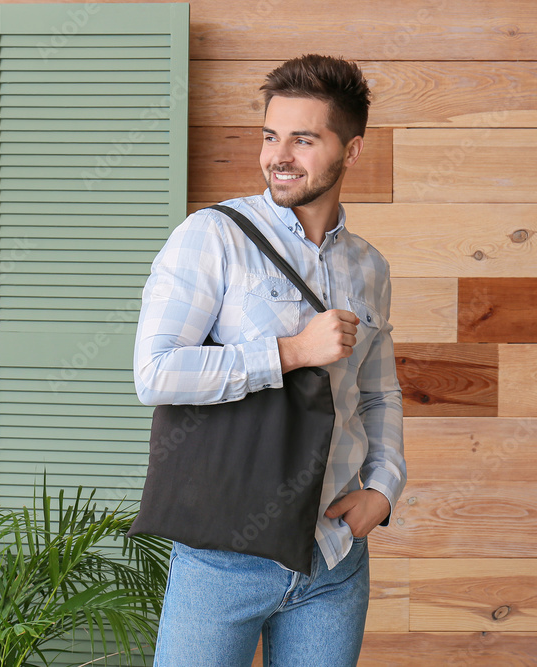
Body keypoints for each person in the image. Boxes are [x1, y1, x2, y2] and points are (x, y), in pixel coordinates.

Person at [133, 54, 407, 666]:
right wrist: (290, 352)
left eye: (303, 139)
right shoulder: (211, 237)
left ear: (351, 151)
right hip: (221, 559)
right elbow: (154, 373)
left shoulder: (369, 267)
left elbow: (379, 393)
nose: (278, 155)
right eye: (269, 136)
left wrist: (383, 491)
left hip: (333, 559)